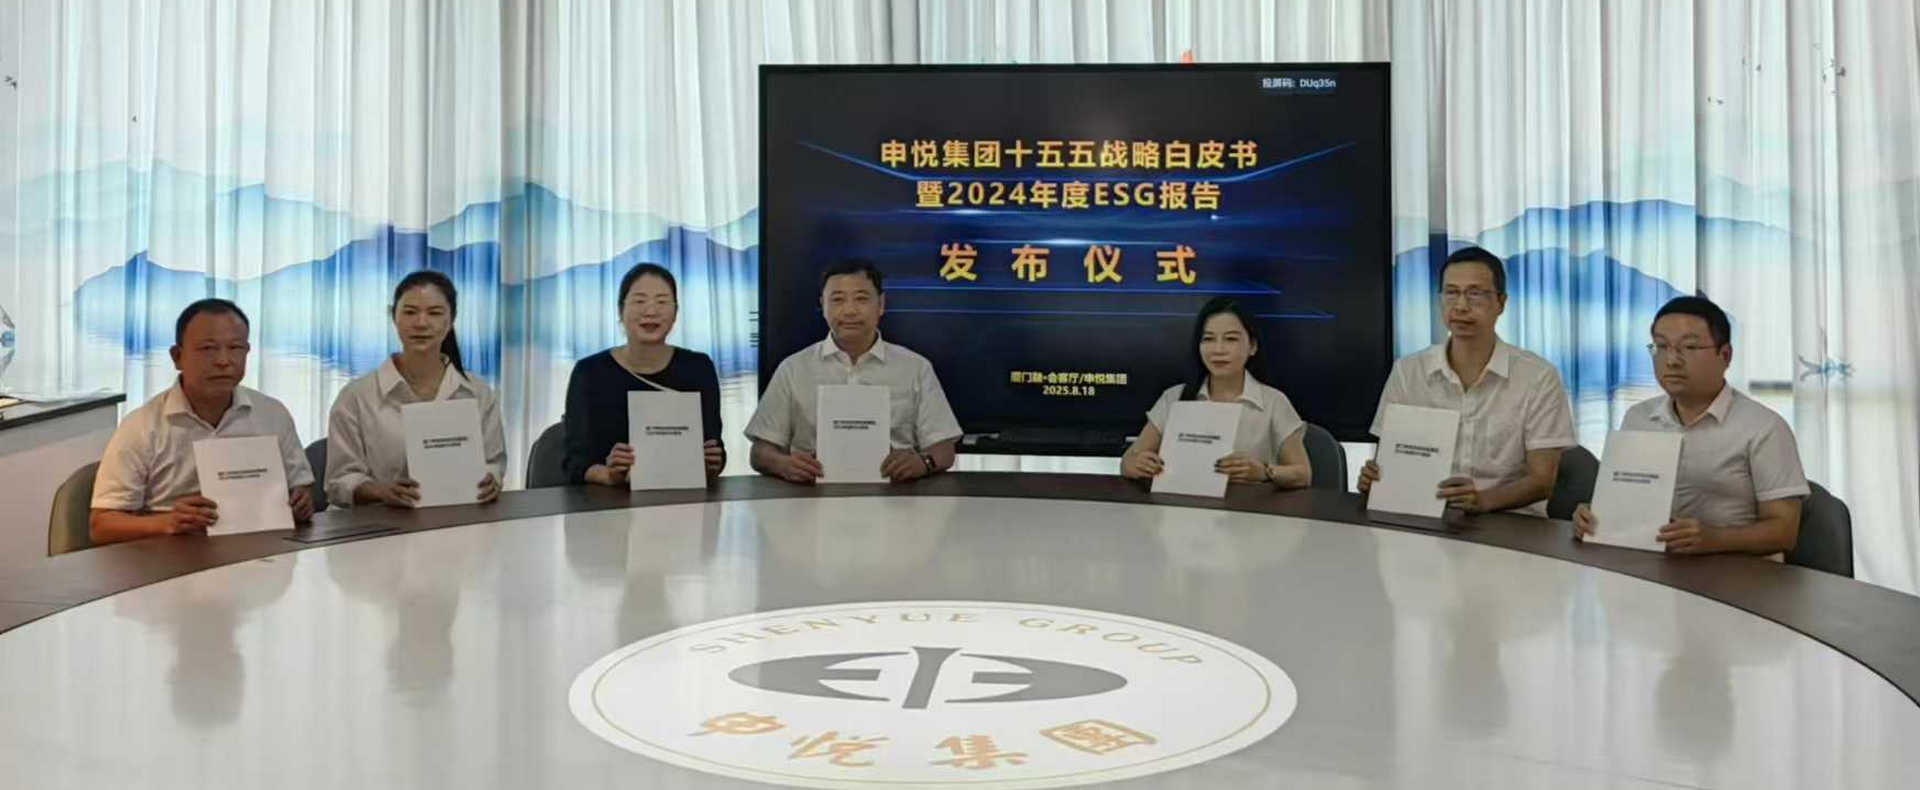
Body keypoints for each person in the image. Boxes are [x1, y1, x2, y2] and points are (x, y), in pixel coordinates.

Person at [1574, 296, 1808, 555]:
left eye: (1689, 347)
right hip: (1653, 564)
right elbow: (1624, 499)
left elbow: (1784, 531)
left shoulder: (1764, 427)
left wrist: (1715, 539)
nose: (1672, 360)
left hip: (1738, 570)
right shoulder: (1638, 418)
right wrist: (1595, 516)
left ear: (1725, 355)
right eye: (1661, 347)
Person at [1357, 246, 1575, 515]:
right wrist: (1375, 480)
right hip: (1425, 517)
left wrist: (1483, 500)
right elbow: (1389, 460)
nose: (1461, 306)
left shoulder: (1538, 377)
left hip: (1510, 525)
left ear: (1501, 303)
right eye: (1451, 293)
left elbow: (1542, 482)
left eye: (1475, 294)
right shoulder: (1408, 371)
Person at [89, 298, 315, 543]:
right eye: (208, 349)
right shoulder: (142, 426)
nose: (223, 361)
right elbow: (101, 526)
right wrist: (166, 522)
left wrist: (300, 502)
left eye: (235, 348)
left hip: (259, 548)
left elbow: (302, 489)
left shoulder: (272, 414)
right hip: (172, 554)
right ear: (177, 357)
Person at [746, 258, 961, 484]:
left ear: (881, 304)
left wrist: (922, 462)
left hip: (898, 493)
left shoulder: (915, 368)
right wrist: (783, 464)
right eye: (837, 299)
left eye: (861, 298)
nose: (849, 311)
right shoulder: (793, 369)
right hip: (809, 494)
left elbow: (945, 449)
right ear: (823, 306)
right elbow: (760, 452)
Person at [325, 271, 505, 507]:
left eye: (435, 313)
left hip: (459, 517)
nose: (421, 323)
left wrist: (490, 480)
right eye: (410, 312)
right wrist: (379, 491)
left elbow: (493, 463)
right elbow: (338, 482)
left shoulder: (478, 393)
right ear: (394, 317)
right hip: (378, 523)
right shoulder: (357, 397)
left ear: (451, 320)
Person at [1121, 297, 1313, 488]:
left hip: (1251, 505)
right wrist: (1135, 464)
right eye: (1208, 339)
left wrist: (1264, 472)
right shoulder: (1174, 398)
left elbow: (1303, 474)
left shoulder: (1273, 402)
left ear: (1252, 346)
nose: (1218, 350)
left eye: (1230, 339)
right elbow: (1128, 461)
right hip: (1181, 503)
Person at [563, 263, 725, 486]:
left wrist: (711, 462)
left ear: (676, 313)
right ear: (620, 311)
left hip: (683, 497)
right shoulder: (589, 372)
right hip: (607, 502)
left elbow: (715, 447)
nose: (651, 311)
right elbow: (574, 463)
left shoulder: (698, 368)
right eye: (639, 301)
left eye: (662, 301)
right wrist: (609, 474)